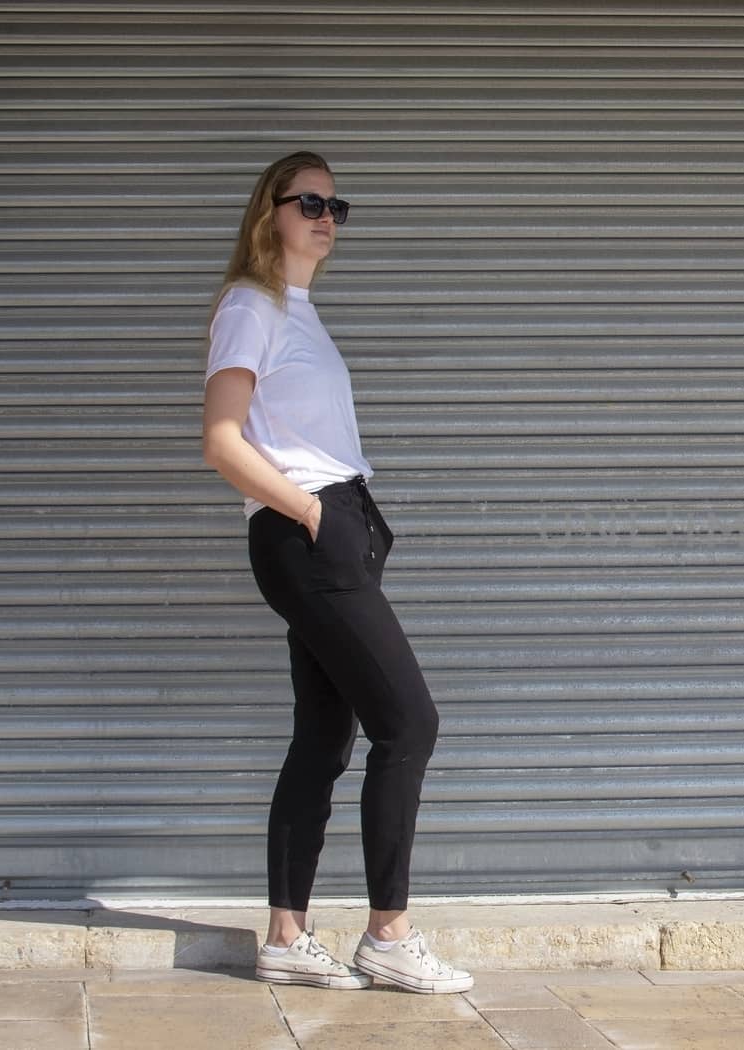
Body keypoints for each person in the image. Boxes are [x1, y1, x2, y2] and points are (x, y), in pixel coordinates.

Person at [202, 151, 471, 994]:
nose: (327, 216)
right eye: (309, 201)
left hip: (335, 528)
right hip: (308, 530)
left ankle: (287, 936)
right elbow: (221, 440)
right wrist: (313, 515)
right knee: (410, 723)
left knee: (325, 736)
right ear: (268, 212)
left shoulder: (300, 311)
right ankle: (389, 933)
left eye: (337, 205)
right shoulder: (252, 304)